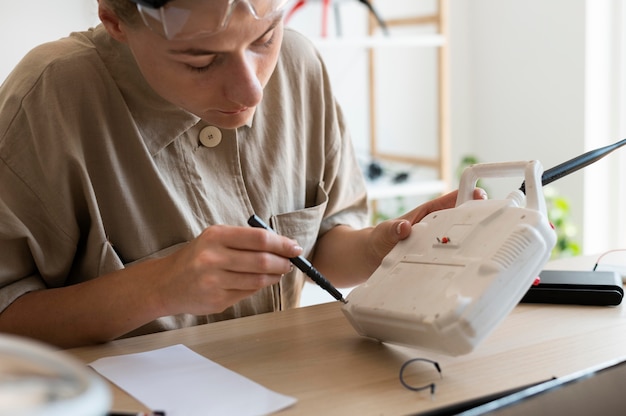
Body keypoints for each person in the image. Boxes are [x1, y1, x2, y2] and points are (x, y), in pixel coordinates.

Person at [0, 0, 486, 349]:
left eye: (264, 38)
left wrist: (383, 245)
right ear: (113, 19)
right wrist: (157, 287)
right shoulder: (48, 98)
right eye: (201, 60)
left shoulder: (300, 66)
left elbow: (323, 251)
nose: (251, 90)